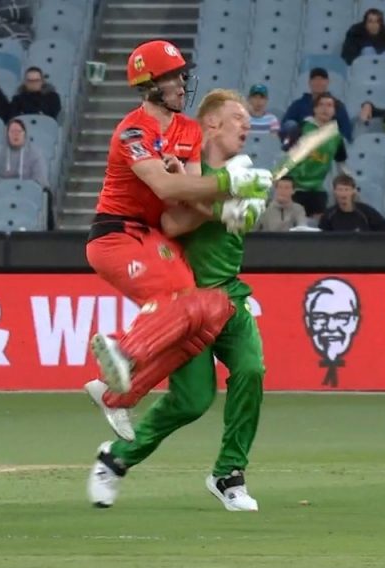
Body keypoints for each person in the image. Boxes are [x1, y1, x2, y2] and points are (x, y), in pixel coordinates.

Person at [85, 89, 267, 511]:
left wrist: (251, 207)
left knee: (252, 370)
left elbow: (252, 216)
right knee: (192, 400)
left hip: (231, 294)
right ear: (212, 124)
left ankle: (229, 474)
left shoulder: (247, 173)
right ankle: (115, 460)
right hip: (186, 303)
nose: (247, 124)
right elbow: (170, 221)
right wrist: (221, 203)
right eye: (237, 117)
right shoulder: (187, 168)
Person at [281, 92, 348, 218]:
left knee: (317, 229)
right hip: (295, 189)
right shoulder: (301, 128)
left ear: (334, 111)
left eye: (329, 105)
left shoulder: (336, 136)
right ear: (315, 109)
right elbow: (286, 156)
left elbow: (341, 164)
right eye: (321, 105)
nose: (325, 108)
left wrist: (348, 183)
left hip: (317, 190)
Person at [281, 68, 353, 142]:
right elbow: (286, 126)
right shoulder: (298, 105)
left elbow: (346, 132)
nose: (318, 82)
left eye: (322, 79)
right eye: (315, 79)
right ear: (309, 82)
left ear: (327, 82)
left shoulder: (338, 106)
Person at [0, 118, 49, 189]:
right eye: (12, 131)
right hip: (3, 193)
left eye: (19, 131)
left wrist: (21, 189)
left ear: (24, 134)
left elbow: (41, 179)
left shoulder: (36, 154)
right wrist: (9, 187)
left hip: (28, 194)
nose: (16, 134)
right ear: (7, 134)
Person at [318, 174, 385, 232]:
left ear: (353, 191)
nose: (343, 193)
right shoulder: (329, 215)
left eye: (346, 189)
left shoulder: (366, 212)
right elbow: (322, 239)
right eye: (340, 190)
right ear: (334, 192)